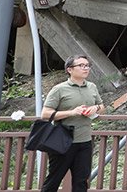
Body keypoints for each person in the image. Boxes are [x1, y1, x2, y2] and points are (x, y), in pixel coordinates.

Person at [39, 55, 104, 192]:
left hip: (85, 141)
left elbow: (101, 105)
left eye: (87, 65)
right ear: (70, 69)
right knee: (53, 181)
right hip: (63, 141)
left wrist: (96, 108)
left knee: (81, 182)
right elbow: (45, 114)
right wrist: (71, 112)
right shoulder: (59, 89)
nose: (85, 68)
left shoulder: (92, 87)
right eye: (81, 65)